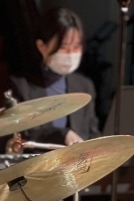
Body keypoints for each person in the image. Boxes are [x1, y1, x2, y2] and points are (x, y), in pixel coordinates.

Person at [8, 7, 100, 146]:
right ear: (42, 46)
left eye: (76, 47)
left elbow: (92, 133)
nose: (71, 54)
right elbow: (22, 135)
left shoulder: (84, 86)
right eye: (63, 47)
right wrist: (62, 135)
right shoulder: (22, 86)